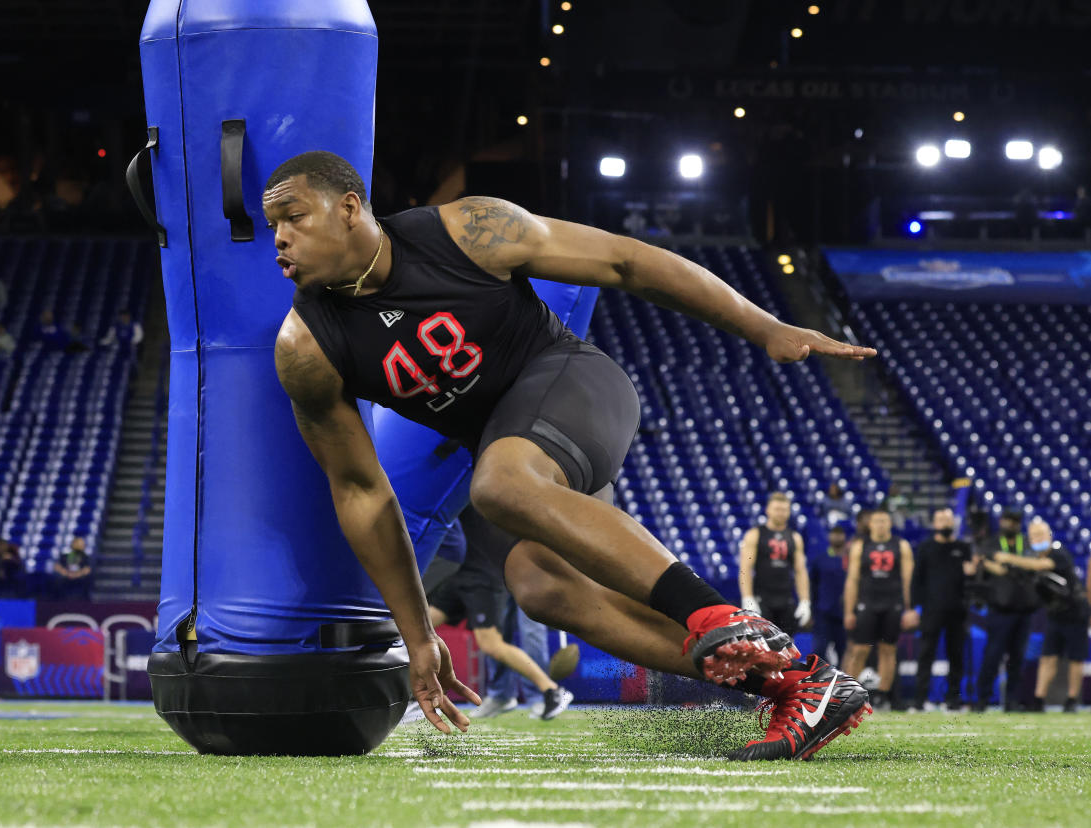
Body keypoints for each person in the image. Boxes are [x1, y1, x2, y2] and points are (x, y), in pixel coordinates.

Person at [265, 150, 876, 756]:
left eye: (293, 217)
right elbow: (361, 492)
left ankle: (717, 616)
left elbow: (624, 260)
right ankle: (798, 683)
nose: (280, 240)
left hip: (574, 387)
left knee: (498, 485)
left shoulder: (465, 230)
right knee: (538, 585)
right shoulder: (307, 348)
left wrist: (764, 326)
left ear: (349, 208)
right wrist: (418, 632)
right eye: (272, 227)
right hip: (523, 458)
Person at [428, 509, 572, 720]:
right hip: (459, 573)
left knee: (492, 644)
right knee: (419, 627)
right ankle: (407, 698)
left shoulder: (472, 487)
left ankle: (551, 691)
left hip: (483, 577)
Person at [999, 519, 1088, 713]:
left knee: (1075, 658)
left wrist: (1009, 558)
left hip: (1075, 613)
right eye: (1034, 536)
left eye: (1040, 534)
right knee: (1048, 657)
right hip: (1055, 614)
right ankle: (1038, 699)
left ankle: (1071, 700)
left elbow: (1040, 565)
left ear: (1049, 535)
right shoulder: (1033, 556)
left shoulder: (1058, 552)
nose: (1037, 539)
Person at [842, 509, 916, 710]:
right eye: (877, 521)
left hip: (892, 603)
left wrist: (910, 608)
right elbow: (852, 580)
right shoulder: (860, 546)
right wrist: (849, 611)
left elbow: (909, 580)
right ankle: (848, 695)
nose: (881, 524)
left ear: (890, 523)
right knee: (859, 649)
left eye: (884, 521)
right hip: (867, 602)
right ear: (870, 524)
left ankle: (883, 694)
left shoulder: (901, 545)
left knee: (888, 649)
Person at [973, 510, 1039, 712]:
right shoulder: (991, 542)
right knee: (992, 655)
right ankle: (983, 699)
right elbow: (982, 561)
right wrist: (997, 565)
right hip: (1000, 609)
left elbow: (1033, 565)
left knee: (1018, 658)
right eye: (1008, 521)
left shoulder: (1027, 544)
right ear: (1001, 521)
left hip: (1024, 609)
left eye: (1015, 522)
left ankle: (1011, 700)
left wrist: (1006, 561)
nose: (1011, 525)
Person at [911, 508, 975, 711]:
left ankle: (953, 700)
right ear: (934, 524)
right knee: (926, 654)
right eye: (940, 520)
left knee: (956, 656)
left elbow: (970, 579)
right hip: (932, 610)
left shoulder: (963, 547)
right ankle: (920, 701)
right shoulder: (925, 547)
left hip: (958, 611)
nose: (945, 524)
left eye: (948, 520)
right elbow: (917, 580)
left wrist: (972, 573)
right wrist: (913, 607)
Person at [738, 492, 811, 636]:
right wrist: (747, 597)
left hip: (786, 599)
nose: (780, 513)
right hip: (762, 599)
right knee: (762, 648)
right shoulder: (755, 534)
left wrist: (805, 600)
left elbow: (800, 571)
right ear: (768, 510)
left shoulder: (795, 538)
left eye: (784, 510)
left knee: (788, 647)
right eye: (777, 509)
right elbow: (745, 569)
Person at [807, 525, 850, 666]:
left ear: (845, 537)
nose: (837, 537)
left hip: (845, 614)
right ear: (829, 537)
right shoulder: (820, 560)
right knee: (819, 651)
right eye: (834, 534)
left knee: (845, 652)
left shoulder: (852, 561)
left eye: (840, 534)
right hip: (823, 614)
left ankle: (843, 684)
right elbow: (812, 587)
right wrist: (812, 611)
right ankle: (819, 684)